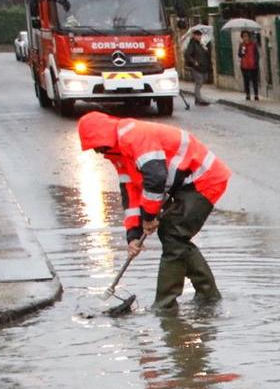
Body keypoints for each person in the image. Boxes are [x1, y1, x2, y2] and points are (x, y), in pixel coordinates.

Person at [76, 111, 228, 311]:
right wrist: (133, 234)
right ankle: (208, 295)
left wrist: (148, 217)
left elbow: (155, 178)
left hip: (203, 179)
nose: (98, 152)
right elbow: (131, 194)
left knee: (173, 234)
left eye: (97, 147)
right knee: (175, 238)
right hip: (184, 184)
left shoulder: (134, 136)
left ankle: (165, 305)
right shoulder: (118, 154)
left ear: (104, 138)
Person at [182, 30, 211, 108]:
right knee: (199, 82)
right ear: (194, 36)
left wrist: (206, 49)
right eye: (197, 35)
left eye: (200, 35)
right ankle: (199, 100)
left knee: (204, 79)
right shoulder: (192, 44)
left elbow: (206, 54)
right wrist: (194, 62)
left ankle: (197, 99)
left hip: (203, 66)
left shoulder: (201, 44)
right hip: (196, 67)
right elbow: (187, 54)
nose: (199, 37)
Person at [238, 31, 261, 101]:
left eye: (246, 36)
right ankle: (248, 95)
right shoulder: (241, 45)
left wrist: (256, 62)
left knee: (254, 80)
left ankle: (256, 95)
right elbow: (239, 55)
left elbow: (257, 54)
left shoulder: (253, 44)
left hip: (253, 66)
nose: (245, 38)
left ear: (249, 37)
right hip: (244, 66)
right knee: (246, 81)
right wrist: (242, 51)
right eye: (244, 36)